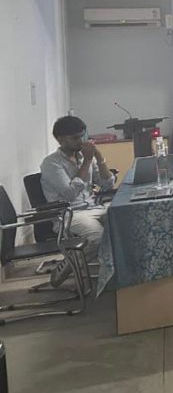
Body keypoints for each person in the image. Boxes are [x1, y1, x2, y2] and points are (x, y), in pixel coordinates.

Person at [40, 115, 116, 286]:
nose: (81, 141)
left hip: (92, 207)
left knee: (123, 220)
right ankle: (68, 265)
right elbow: (69, 194)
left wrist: (99, 158)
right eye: (75, 138)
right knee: (97, 237)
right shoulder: (51, 164)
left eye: (82, 136)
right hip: (69, 214)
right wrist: (87, 161)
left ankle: (118, 271)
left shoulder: (84, 157)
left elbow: (107, 184)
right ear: (61, 139)